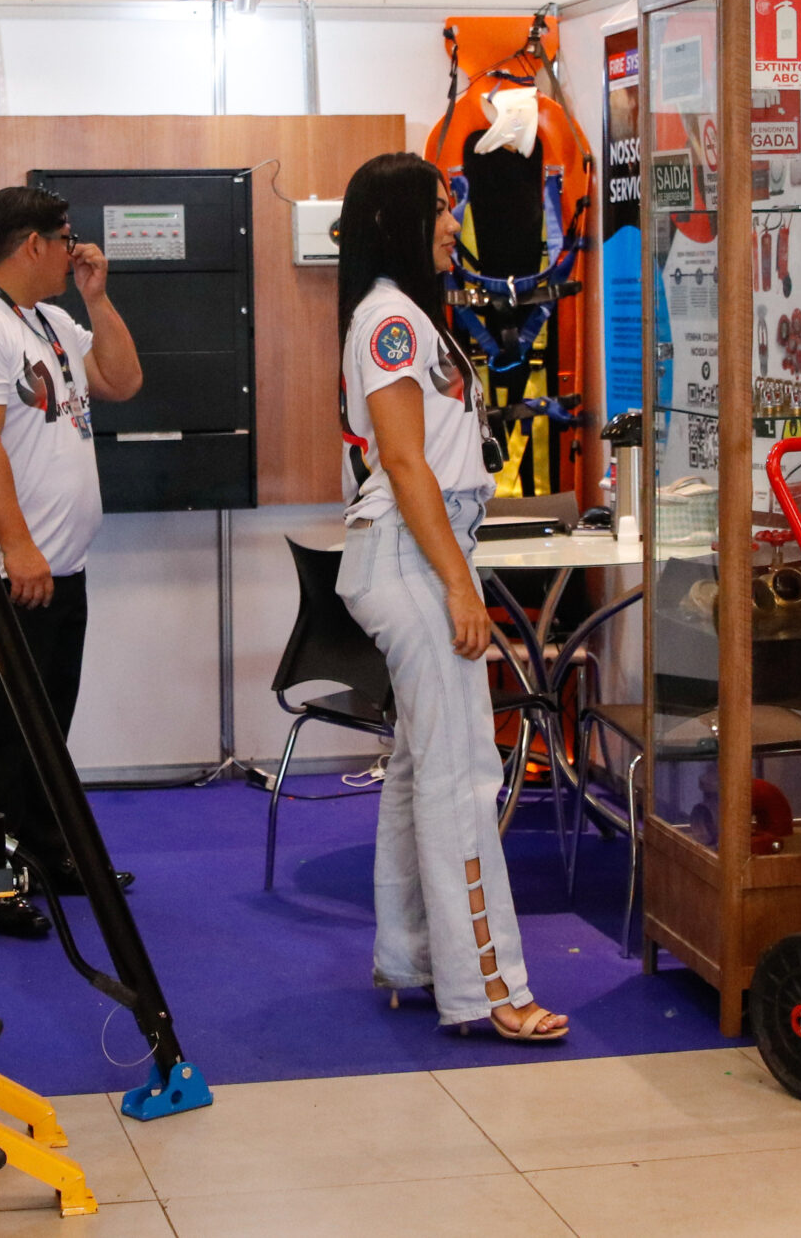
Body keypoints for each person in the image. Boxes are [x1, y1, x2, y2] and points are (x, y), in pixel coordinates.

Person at [334, 151, 568, 1045]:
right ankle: (487, 987)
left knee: (420, 767)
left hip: (417, 553)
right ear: (392, 220)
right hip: (414, 559)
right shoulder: (390, 320)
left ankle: (411, 958)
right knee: (464, 774)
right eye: (436, 207)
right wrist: (460, 586)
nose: (450, 223)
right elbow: (404, 462)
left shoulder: (401, 314)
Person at [0, 185, 143, 938]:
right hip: (6, 575)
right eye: (67, 238)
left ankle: (48, 854)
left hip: (60, 567)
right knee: (3, 733)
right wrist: (18, 546)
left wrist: (97, 299)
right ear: (33, 245)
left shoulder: (46, 319)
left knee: (47, 726)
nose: (75, 250)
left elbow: (121, 380)